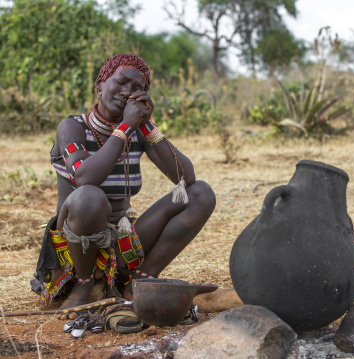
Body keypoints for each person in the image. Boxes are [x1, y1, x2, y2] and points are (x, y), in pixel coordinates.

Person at [31, 53, 216, 318]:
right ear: (100, 85)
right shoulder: (72, 128)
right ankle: (83, 287)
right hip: (75, 249)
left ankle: (137, 283)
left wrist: (146, 126)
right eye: (120, 82)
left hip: (123, 245)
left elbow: (184, 177)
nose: (127, 92)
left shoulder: (138, 133)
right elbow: (84, 178)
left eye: (138, 89)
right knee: (90, 198)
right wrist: (126, 126)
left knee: (200, 194)